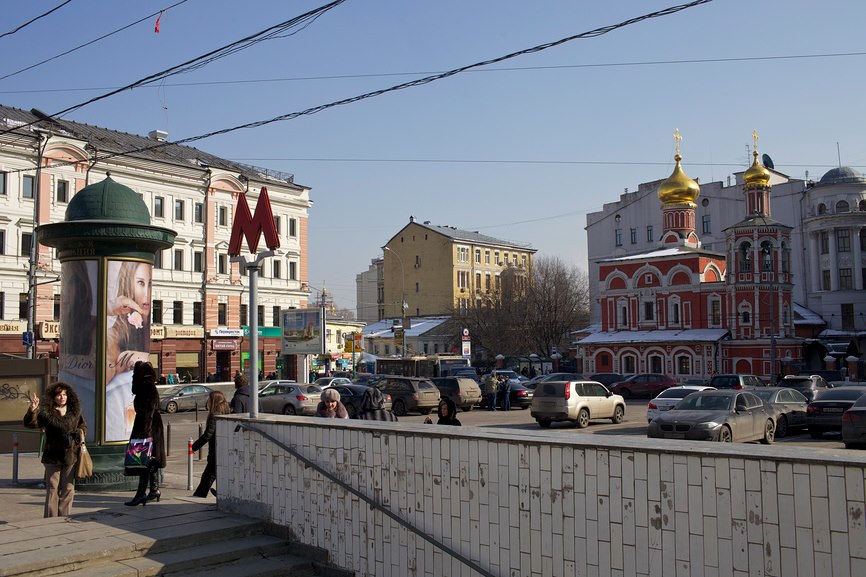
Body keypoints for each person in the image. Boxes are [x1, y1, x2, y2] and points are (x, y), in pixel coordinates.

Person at [23, 382, 87, 518]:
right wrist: (33, 410)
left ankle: (65, 516)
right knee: (53, 488)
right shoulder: (47, 412)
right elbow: (31, 424)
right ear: (54, 397)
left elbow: (83, 426)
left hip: (70, 455)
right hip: (52, 455)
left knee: (68, 488)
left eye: (64, 394)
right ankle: (51, 518)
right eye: (59, 395)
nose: (62, 397)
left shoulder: (75, 412)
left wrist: (79, 433)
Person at [125, 361, 166, 507]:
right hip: (152, 427)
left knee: (143, 460)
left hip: (148, 428)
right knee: (150, 460)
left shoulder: (146, 387)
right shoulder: (147, 386)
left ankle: (141, 493)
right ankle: (154, 489)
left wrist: (144, 435)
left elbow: (149, 411)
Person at [191, 390, 230, 498]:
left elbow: (208, 435)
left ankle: (199, 496)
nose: (208, 401)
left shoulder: (215, 415)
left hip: (216, 452)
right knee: (211, 476)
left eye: (209, 399)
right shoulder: (226, 411)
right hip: (224, 450)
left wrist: (194, 446)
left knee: (207, 477)